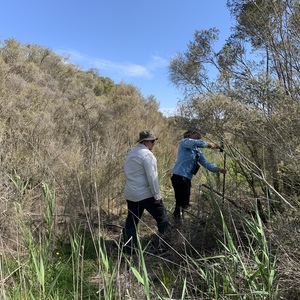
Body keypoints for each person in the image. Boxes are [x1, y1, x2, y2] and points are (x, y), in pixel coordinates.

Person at [122, 130, 171, 254]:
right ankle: (167, 246)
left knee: (132, 220)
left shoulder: (131, 153)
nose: (153, 144)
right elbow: (152, 177)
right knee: (162, 218)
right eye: (152, 141)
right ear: (145, 142)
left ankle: (129, 249)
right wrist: (157, 196)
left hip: (131, 193)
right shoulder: (147, 155)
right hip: (145, 194)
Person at [171, 126, 227, 219]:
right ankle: (177, 219)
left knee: (185, 201)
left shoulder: (197, 151)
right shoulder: (185, 142)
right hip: (179, 176)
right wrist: (211, 145)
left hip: (187, 178)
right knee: (181, 200)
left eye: (200, 135)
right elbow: (193, 142)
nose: (199, 137)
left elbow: (205, 163)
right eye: (197, 134)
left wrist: (218, 169)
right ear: (190, 134)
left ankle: (178, 218)